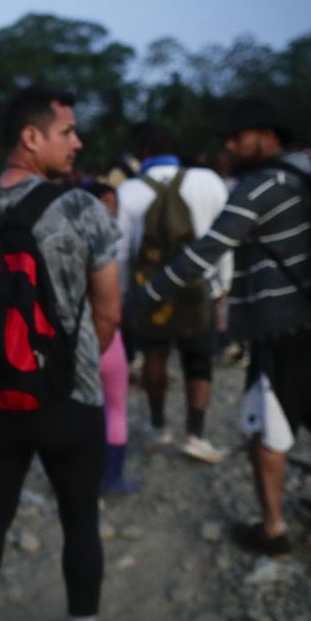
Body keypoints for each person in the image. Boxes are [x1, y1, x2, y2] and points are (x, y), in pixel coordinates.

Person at [128, 98, 311, 558]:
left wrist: (146, 296)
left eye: (239, 135)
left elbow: (208, 249)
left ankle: (272, 528)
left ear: (270, 134)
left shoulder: (261, 184)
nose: (230, 145)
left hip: (284, 325)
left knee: (267, 425)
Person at [0, 85, 123, 621]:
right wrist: (79, 366)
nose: (78, 141)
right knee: (79, 518)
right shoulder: (83, 208)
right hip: (69, 398)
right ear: (31, 137)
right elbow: (109, 311)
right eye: (67, 131)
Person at [116, 122, 231, 464]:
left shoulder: (129, 191)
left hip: (150, 293)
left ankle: (157, 425)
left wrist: (125, 295)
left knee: (154, 357)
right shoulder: (208, 181)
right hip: (198, 289)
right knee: (198, 361)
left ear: (143, 152)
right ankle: (196, 434)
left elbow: (122, 253)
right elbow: (226, 239)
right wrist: (224, 284)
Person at [85, 182, 136, 495]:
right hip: (106, 338)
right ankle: (113, 479)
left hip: (78, 338)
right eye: (105, 201)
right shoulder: (109, 244)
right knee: (115, 407)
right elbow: (111, 307)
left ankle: (89, 477)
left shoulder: (63, 240)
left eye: (113, 201)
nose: (111, 208)